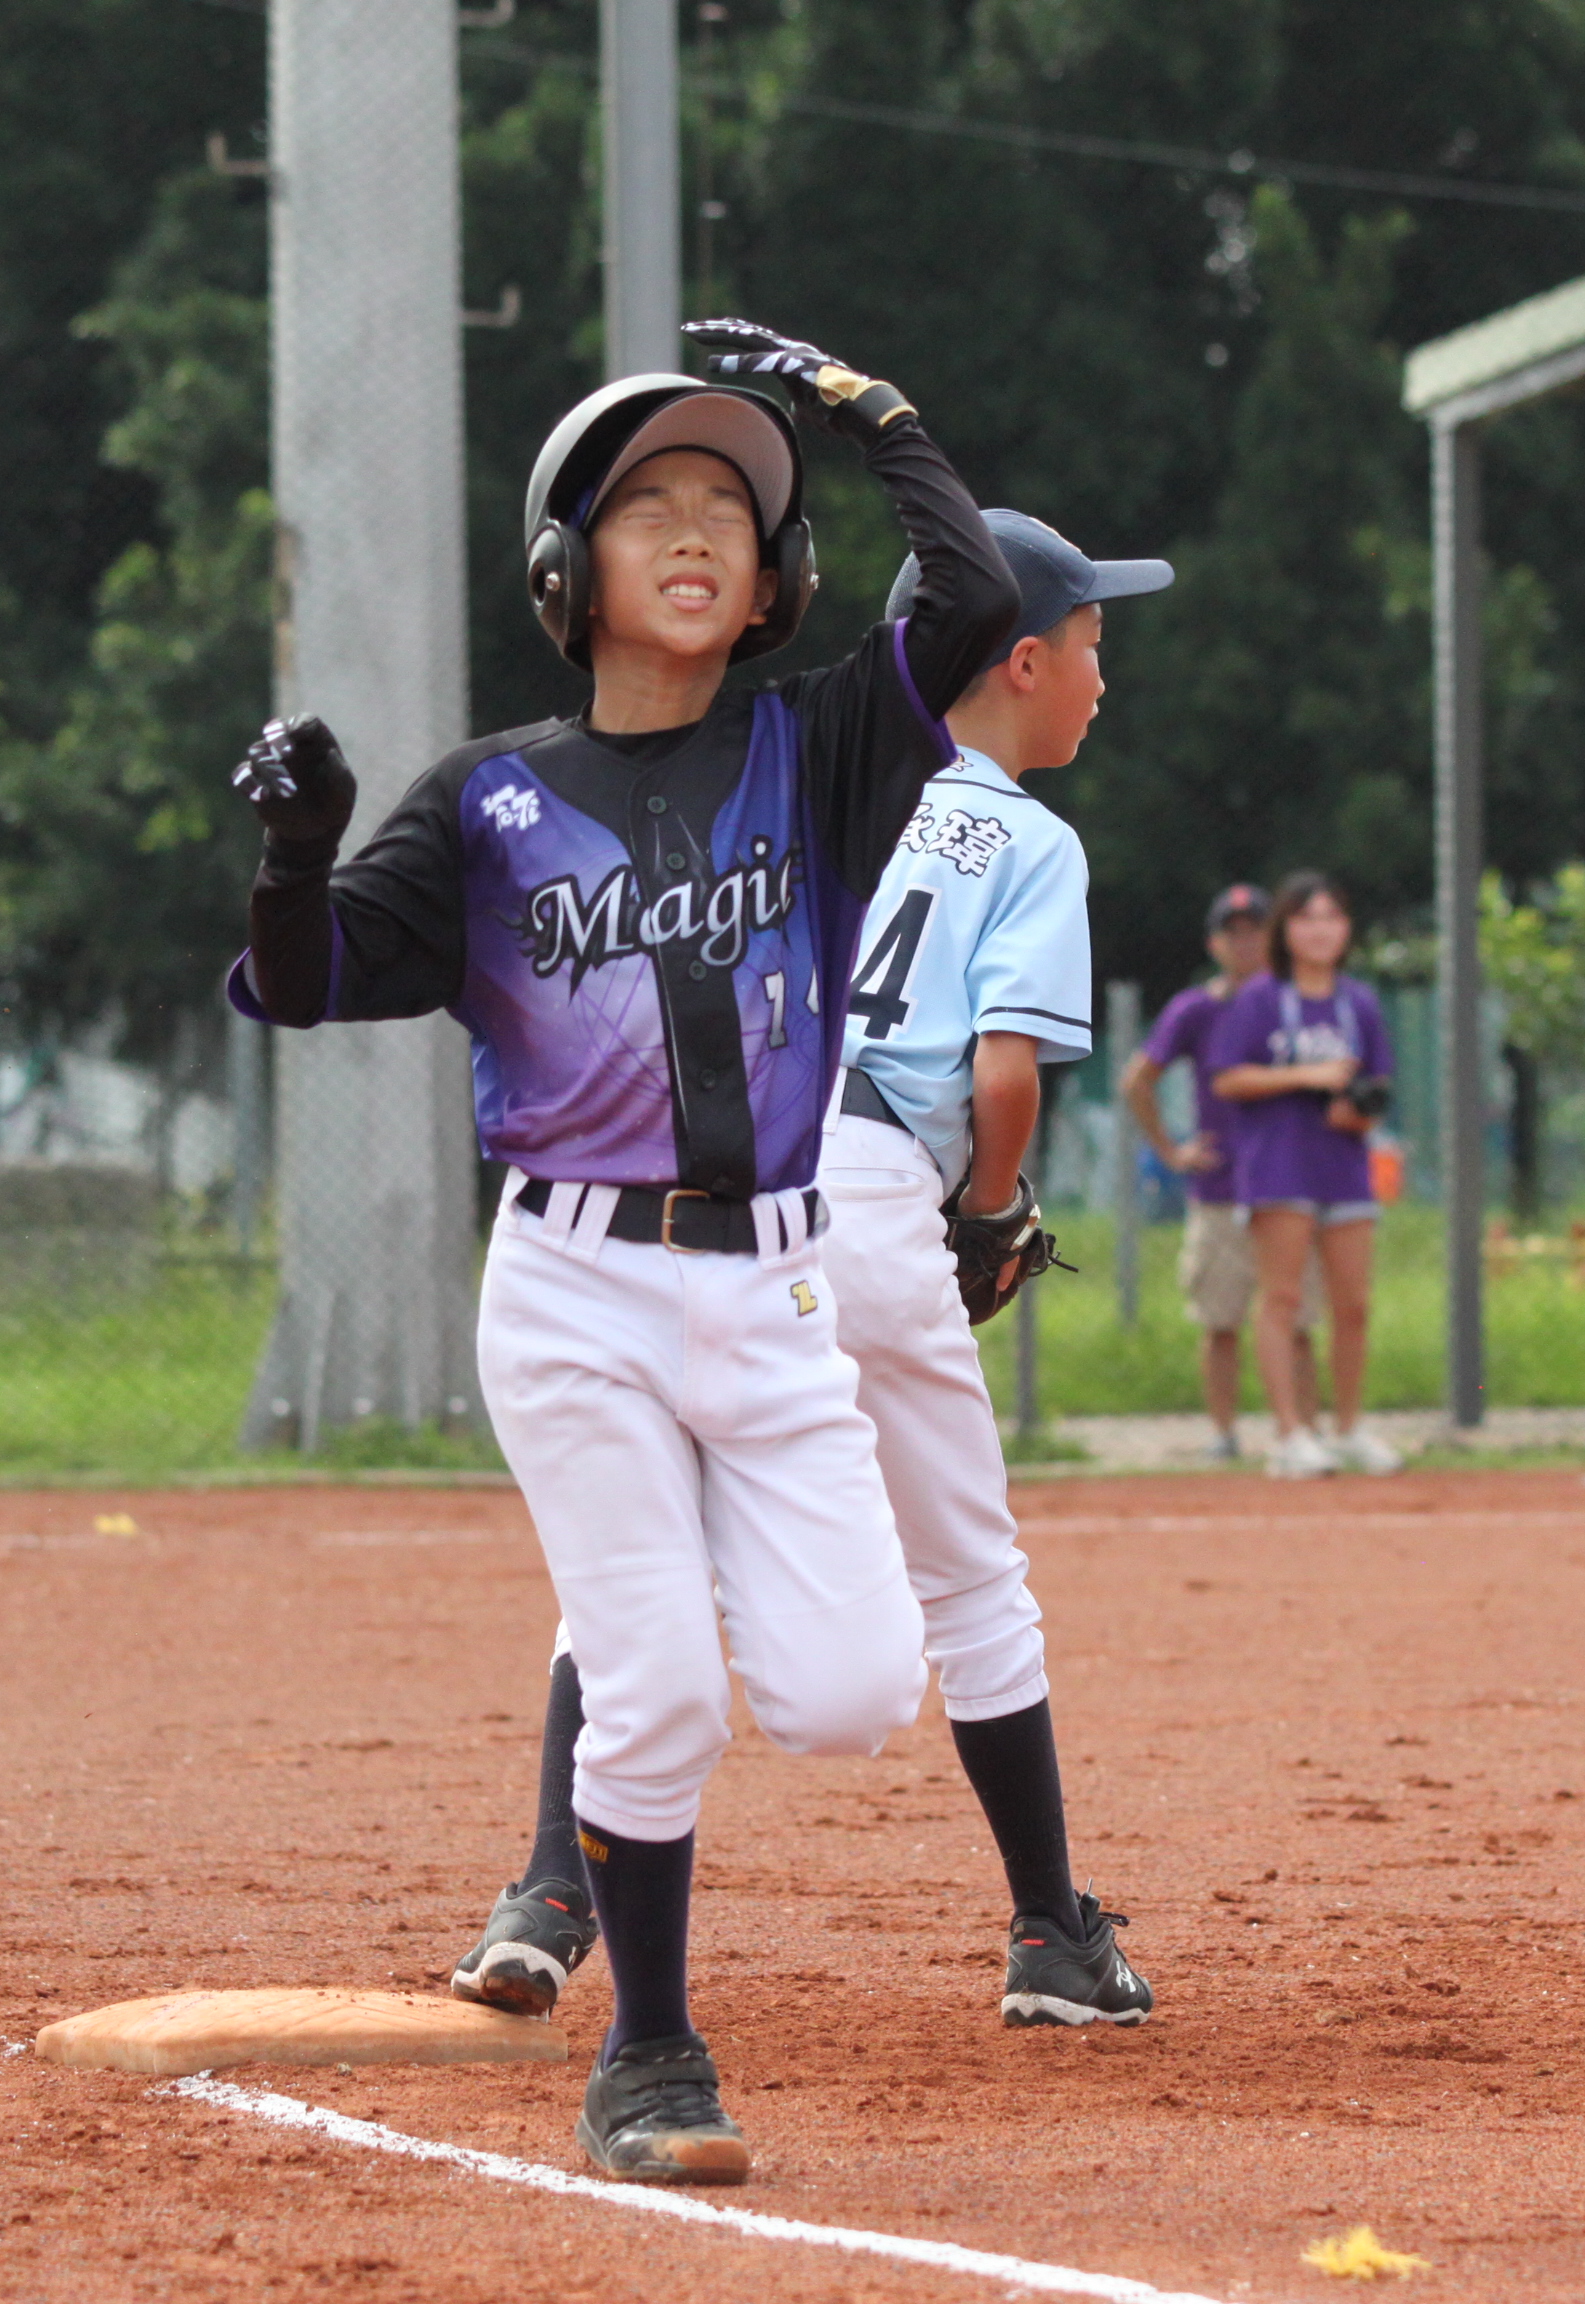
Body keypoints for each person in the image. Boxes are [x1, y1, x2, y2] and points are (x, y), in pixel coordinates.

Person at [227, 321, 1016, 2186]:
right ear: (563, 568)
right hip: (577, 1290)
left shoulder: (816, 749)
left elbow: (979, 599)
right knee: (656, 1688)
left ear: (777, 577)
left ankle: (658, 1580)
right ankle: (650, 2054)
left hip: (779, 1287)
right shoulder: (487, 803)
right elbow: (302, 980)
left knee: (851, 1692)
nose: (694, 531)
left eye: (730, 511)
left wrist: (874, 413)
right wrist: (297, 856)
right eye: (648, 504)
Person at [443, 509, 1168, 2044]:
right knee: (971, 1580)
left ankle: (548, 1895)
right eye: (1090, 645)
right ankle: (1051, 1930)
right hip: (880, 1196)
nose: (1103, 677)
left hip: (734, 1180)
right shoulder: (1031, 840)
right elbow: (1005, 1075)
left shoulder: (803, 789)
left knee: (642, 1557)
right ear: (1016, 662)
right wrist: (991, 1217)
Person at [1211, 871, 1398, 1479]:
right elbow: (1227, 1077)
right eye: (1307, 918)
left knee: (1354, 1304)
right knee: (1283, 1297)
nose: (1321, 931)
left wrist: (1359, 1112)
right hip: (1279, 1164)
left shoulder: (1358, 1002)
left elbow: (1378, 1084)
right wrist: (1304, 1077)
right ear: (1286, 929)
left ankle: (1348, 1427)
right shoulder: (1261, 998)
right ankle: (1290, 1434)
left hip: (1342, 1164)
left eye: (1332, 918)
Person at [1123, 885, 1316, 1461]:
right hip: (1221, 1185)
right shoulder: (1197, 1009)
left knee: (1297, 1318)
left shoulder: (1296, 1002)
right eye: (1234, 933)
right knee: (1220, 1318)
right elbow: (1138, 1080)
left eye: (1256, 931)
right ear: (1215, 944)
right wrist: (1172, 1151)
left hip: (1287, 1183)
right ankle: (1225, 1433)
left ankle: (1303, 1432)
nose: (1246, 943)